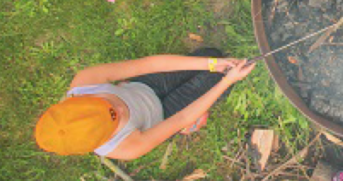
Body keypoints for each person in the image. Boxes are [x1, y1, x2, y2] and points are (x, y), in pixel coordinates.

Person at [34, 49, 255, 160]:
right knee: (216, 79)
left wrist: (212, 63)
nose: (121, 108)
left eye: (107, 104)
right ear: (101, 140)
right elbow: (181, 118)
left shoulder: (85, 82)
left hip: (146, 86)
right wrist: (227, 81)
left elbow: (151, 64)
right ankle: (191, 126)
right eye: (114, 118)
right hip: (165, 116)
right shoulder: (125, 148)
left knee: (211, 54)